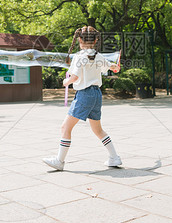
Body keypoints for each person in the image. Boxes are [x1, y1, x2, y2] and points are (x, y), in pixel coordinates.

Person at [43, 26, 121, 171]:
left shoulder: (79, 56)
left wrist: (66, 82)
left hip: (84, 95)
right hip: (97, 95)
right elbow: (111, 67)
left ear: (79, 39)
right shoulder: (99, 56)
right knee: (98, 130)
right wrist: (115, 67)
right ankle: (114, 157)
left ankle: (59, 161)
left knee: (65, 127)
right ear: (96, 40)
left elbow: (75, 76)